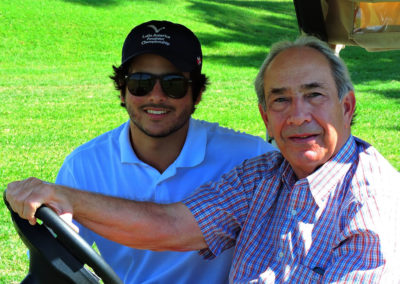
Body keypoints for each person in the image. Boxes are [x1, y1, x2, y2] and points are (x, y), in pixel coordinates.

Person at [7, 36, 400, 283]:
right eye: (281, 99)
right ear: (265, 116)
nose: (297, 115)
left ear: (347, 106)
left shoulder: (369, 205)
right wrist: (64, 197)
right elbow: (172, 225)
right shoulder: (265, 173)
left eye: (314, 95)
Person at [5, 20, 276, 283]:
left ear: (198, 93)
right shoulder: (85, 165)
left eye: (173, 84)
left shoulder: (249, 157)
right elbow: (56, 264)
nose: (156, 96)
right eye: (141, 83)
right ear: (122, 91)